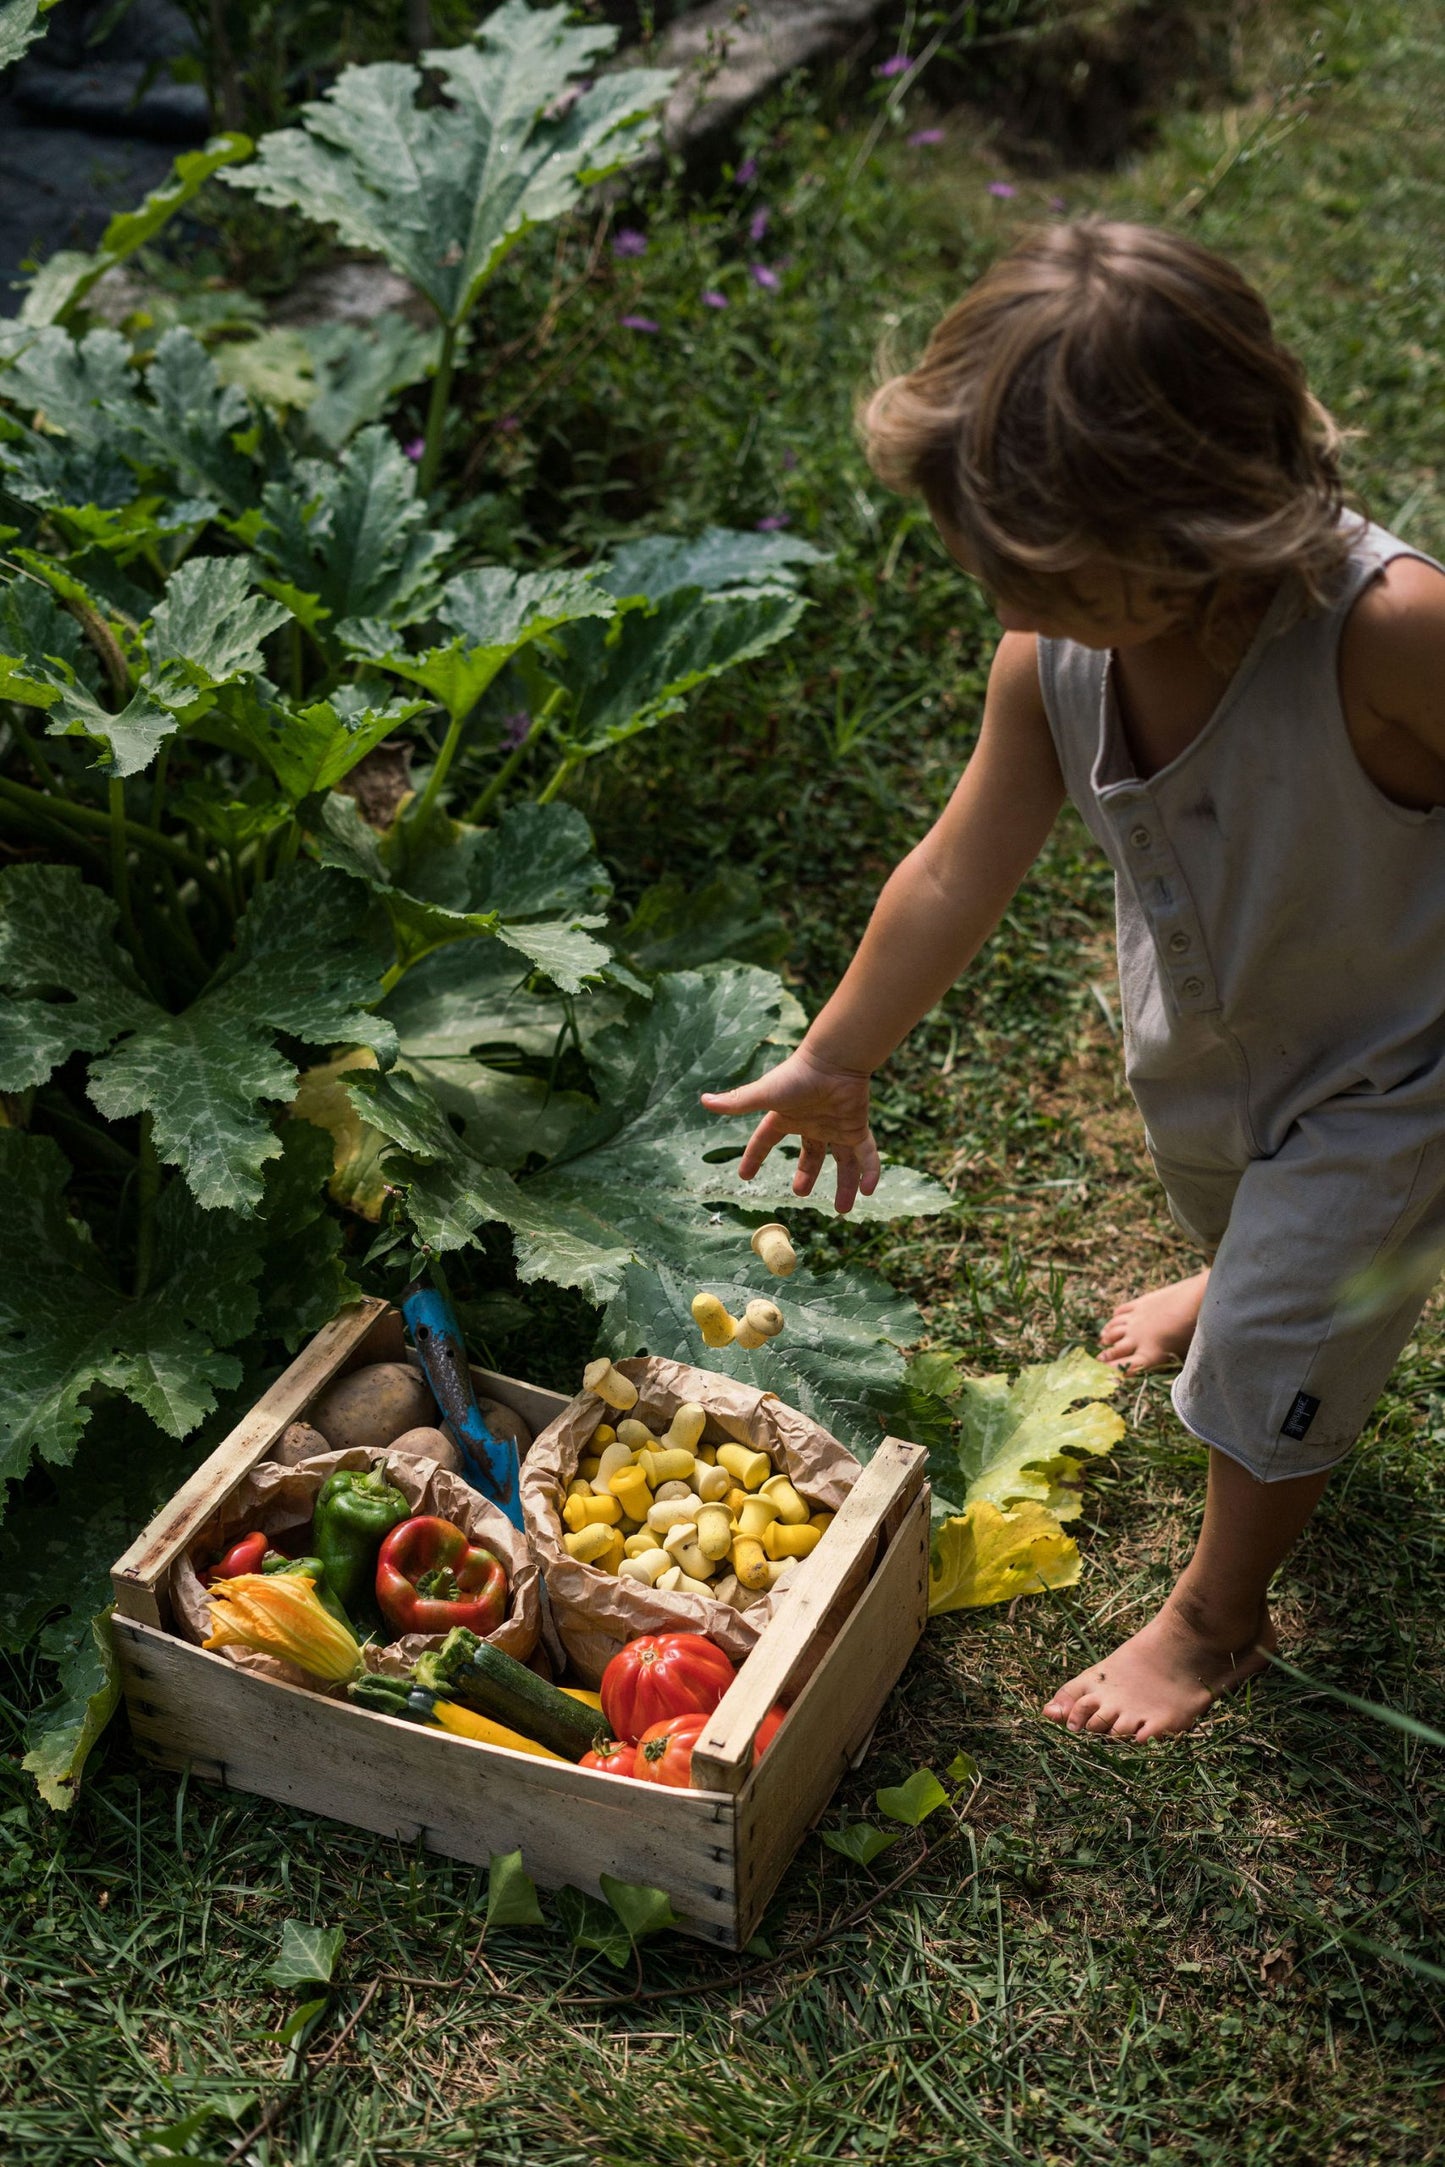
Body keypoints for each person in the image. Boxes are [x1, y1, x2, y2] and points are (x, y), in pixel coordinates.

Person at [700, 218, 1445, 1741]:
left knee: (1279, 1339)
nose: (1003, 601)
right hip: (1224, 1058)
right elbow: (954, 869)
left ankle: (1212, 1618)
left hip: (1403, 1066)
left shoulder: (1389, 634)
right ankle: (1241, 1265)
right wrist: (837, 1054)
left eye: (1038, 571)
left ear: (1194, 525)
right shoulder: (1049, 656)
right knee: (1244, 1217)